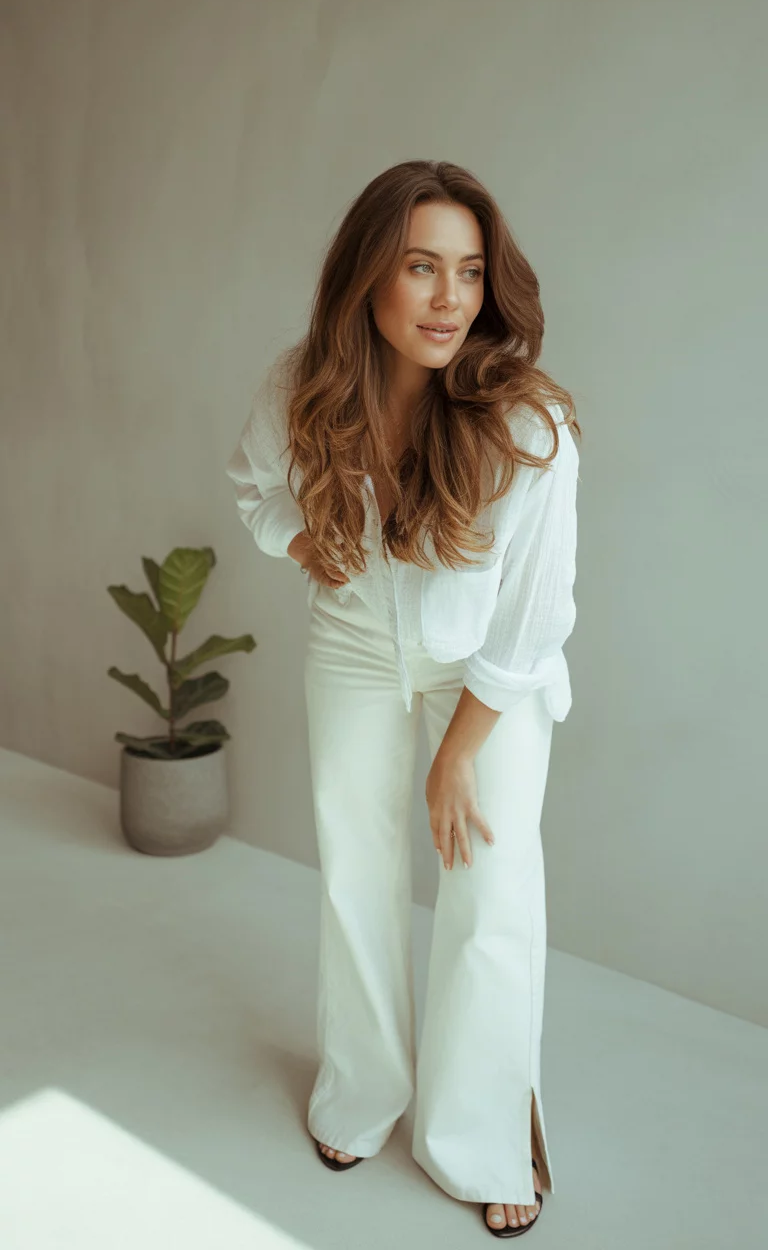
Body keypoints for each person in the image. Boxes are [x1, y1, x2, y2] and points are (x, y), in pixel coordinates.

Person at [225, 159, 581, 1238]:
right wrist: (311, 544)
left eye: (468, 273)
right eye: (421, 268)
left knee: (493, 884)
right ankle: (363, 1088)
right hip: (354, 649)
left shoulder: (529, 425)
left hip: (487, 674)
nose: (447, 299)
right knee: (358, 864)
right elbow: (253, 490)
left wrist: (456, 754)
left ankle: (479, 1131)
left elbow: (530, 622)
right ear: (368, 277)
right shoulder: (305, 384)